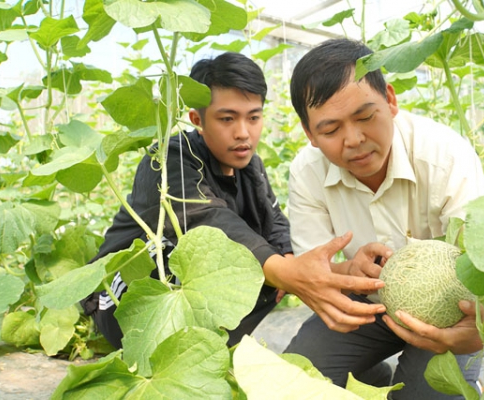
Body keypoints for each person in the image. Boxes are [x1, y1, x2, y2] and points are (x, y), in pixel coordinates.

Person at [81, 51, 388, 350]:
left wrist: (336, 272)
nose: (243, 133)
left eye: (253, 117)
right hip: (123, 302)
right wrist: (288, 273)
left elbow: (277, 228)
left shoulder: (250, 166)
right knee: (257, 265)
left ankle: (207, 352)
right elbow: (212, 223)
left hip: (191, 309)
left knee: (271, 266)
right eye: (227, 118)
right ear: (196, 119)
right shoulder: (167, 159)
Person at [283, 38, 484, 399]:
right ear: (310, 133)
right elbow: (316, 271)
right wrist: (350, 273)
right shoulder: (306, 172)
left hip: (447, 312)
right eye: (330, 130)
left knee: (426, 394)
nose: (354, 139)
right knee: (294, 379)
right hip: (367, 302)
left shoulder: (445, 155)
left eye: (365, 116)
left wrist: (478, 330)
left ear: (390, 100)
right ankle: (370, 375)